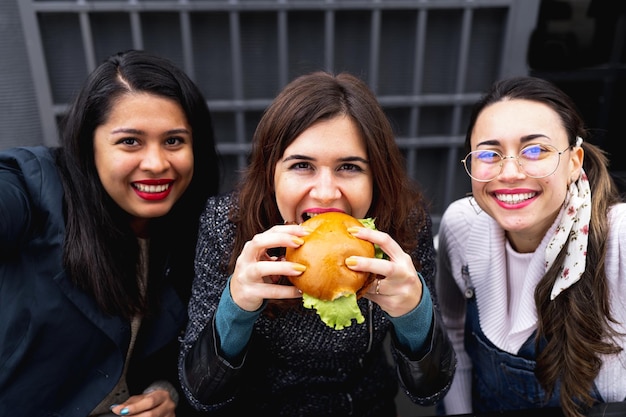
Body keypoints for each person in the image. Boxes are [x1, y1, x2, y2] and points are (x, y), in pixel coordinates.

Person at [178, 71, 456, 416]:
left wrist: (415, 314)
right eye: (302, 165)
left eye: (349, 167)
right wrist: (236, 307)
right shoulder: (227, 226)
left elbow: (430, 390)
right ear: (271, 173)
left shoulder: (402, 227)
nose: (325, 193)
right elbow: (200, 393)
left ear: (376, 177)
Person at [0, 49, 220, 416]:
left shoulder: (194, 226)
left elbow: (181, 346)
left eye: (174, 141)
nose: (156, 163)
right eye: (130, 141)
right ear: (89, 145)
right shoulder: (34, 187)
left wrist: (165, 391)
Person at [436, 76, 626, 417]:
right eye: (489, 153)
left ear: (574, 161)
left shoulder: (618, 237)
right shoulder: (461, 225)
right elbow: (452, 333)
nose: (509, 172)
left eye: (535, 150)